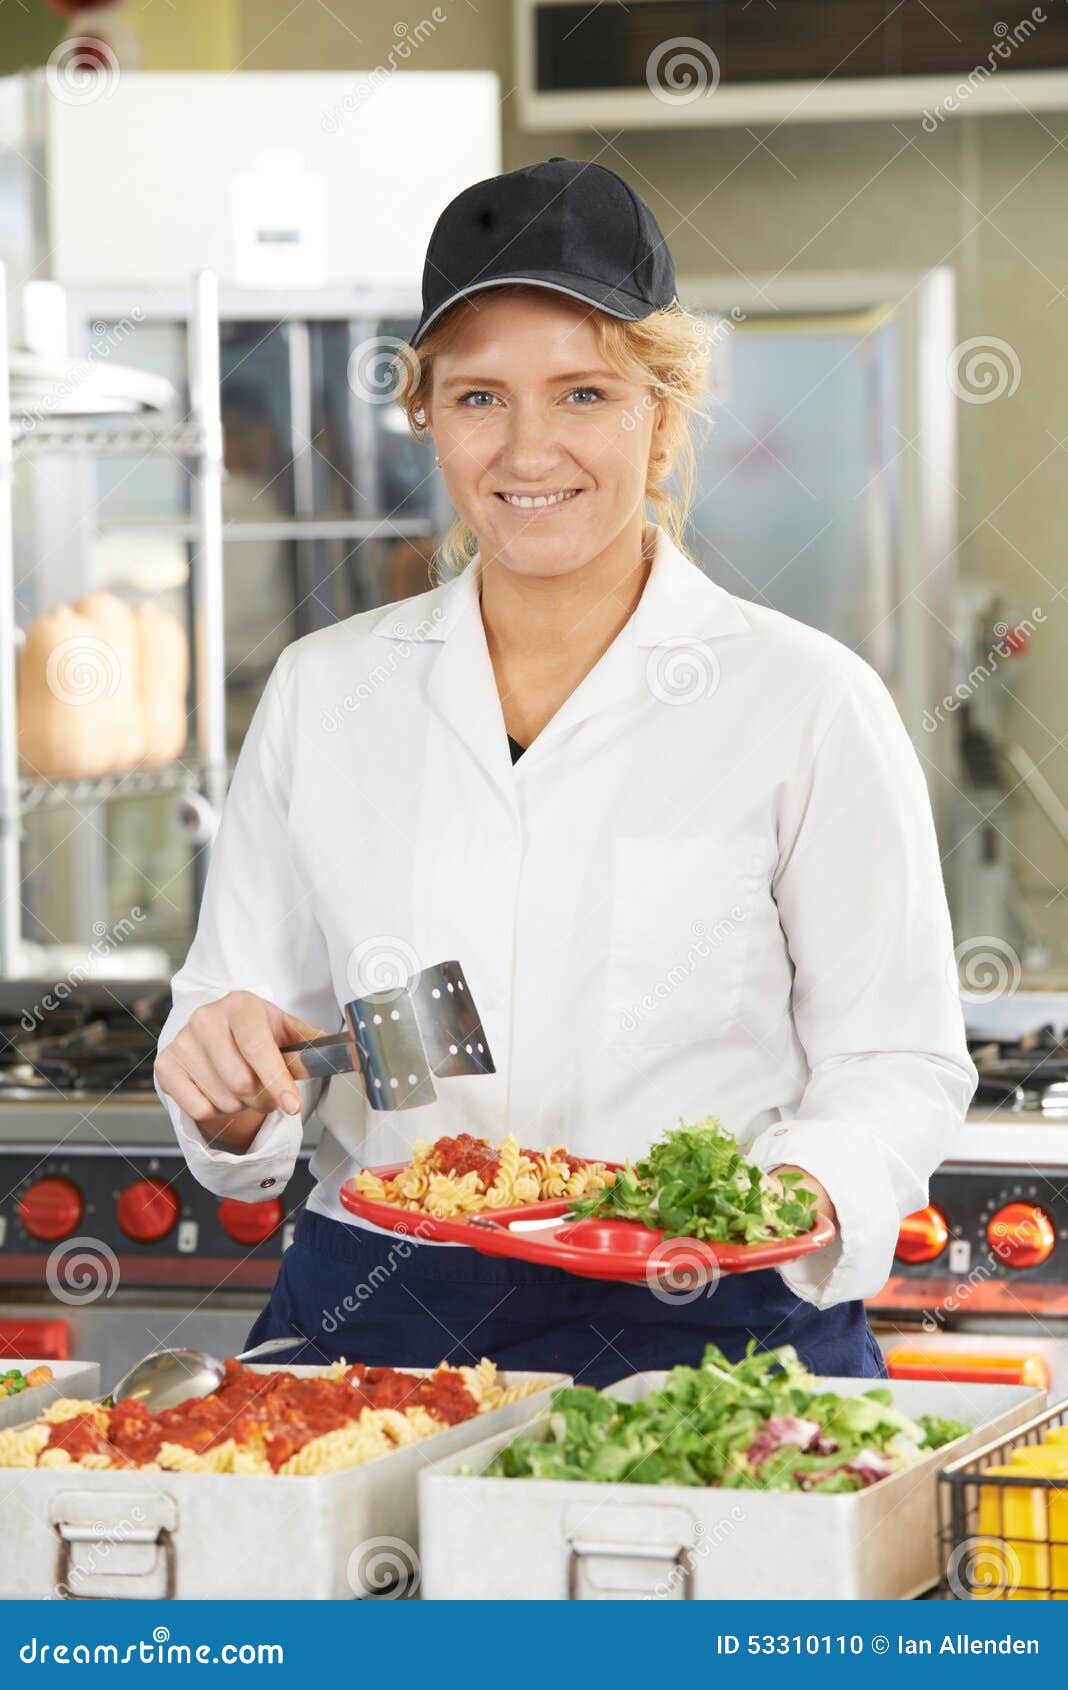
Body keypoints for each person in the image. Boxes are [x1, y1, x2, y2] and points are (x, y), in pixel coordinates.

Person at [153, 157, 977, 1387]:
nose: (528, 448)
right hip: (385, 1319)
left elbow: (897, 1058)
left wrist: (789, 1198)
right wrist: (222, 1085)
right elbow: (242, 1035)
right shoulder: (328, 695)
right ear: (425, 412)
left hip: (707, 1317)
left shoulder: (806, 702)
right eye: (479, 397)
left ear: (664, 409)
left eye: (583, 391)